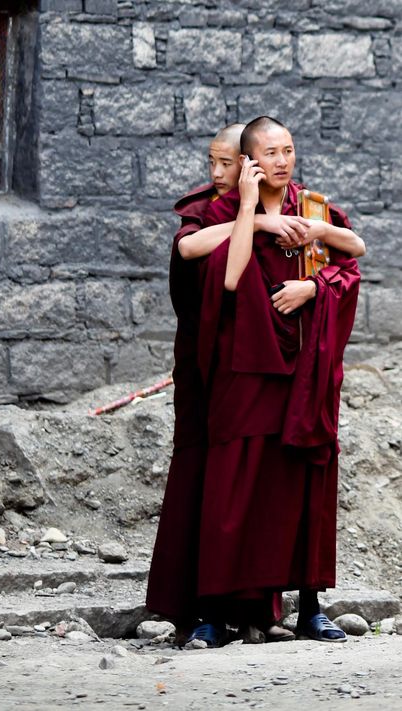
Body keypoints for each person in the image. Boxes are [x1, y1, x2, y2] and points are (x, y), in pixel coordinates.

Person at [146, 119, 363, 645]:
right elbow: (227, 276)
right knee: (232, 486)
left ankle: (309, 606)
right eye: (271, 152)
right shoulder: (222, 212)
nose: (283, 161)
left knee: (301, 482)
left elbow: (352, 256)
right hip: (242, 367)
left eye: (289, 150)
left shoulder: (312, 209)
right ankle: (211, 614)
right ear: (251, 161)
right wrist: (250, 211)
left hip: (303, 369)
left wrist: (313, 287)